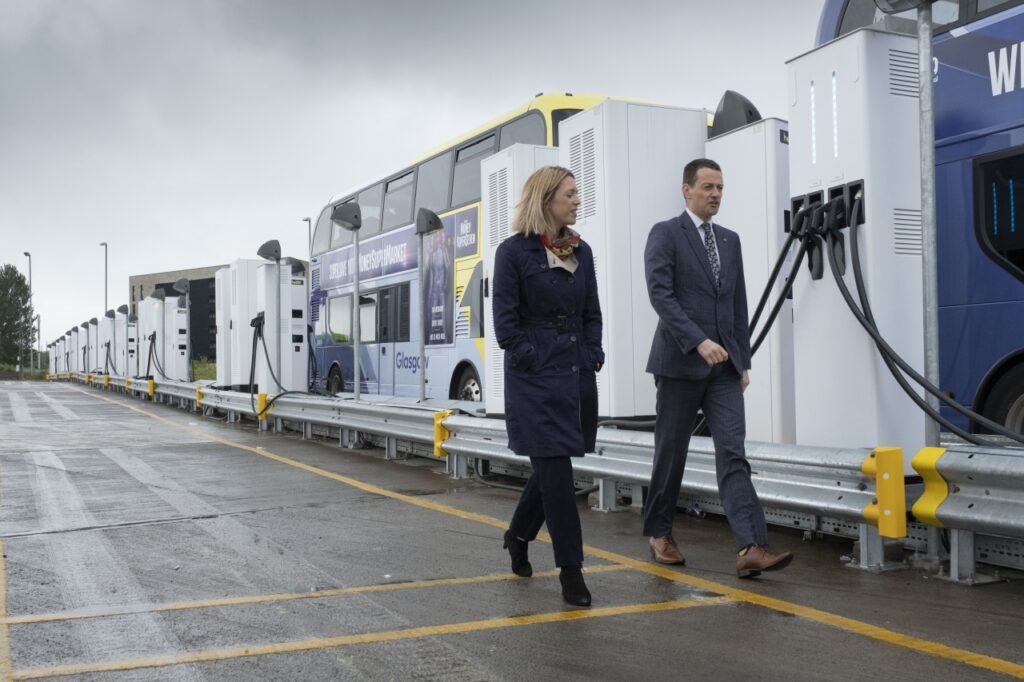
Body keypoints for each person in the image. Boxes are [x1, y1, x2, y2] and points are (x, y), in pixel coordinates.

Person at [642, 158, 793, 578]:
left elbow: (736, 304)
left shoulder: (730, 241)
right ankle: (659, 532)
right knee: (671, 454)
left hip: (725, 369)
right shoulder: (666, 234)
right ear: (686, 189)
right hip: (679, 364)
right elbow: (661, 296)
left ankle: (752, 546)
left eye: (720, 188)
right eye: (707, 186)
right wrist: (698, 340)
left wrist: (741, 359)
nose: (715, 194)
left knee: (733, 454)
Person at [492, 165, 604, 607]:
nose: (578, 200)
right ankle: (571, 570)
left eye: (578, 193)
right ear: (546, 198)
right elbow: (506, 326)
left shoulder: (582, 251)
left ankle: (518, 536)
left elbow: (592, 311)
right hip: (535, 380)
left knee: (550, 467)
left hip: (575, 373)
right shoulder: (513, 253)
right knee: (557, 471)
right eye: (570, 194)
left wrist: (593, 352)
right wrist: (533, 360)